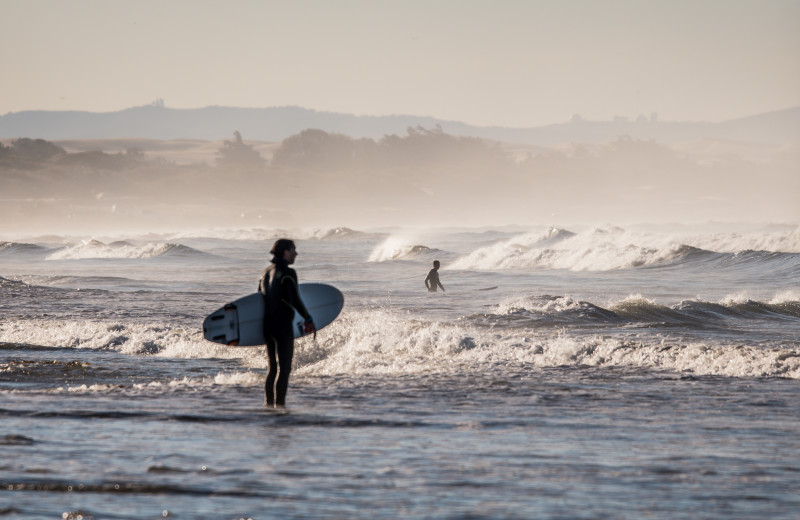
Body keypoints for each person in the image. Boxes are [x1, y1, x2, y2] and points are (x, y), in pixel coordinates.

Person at [258, 239, 315, 407]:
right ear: (285, 252)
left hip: (267, 326)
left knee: (272, 369)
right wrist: (308, 318)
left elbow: (258, 300)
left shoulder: (266, 272)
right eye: (293, 250)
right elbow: (294, 299)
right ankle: (280, 407)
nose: (296, 254)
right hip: (282, 326)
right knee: (284, 370)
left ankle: (269, 406)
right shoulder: (289, 273)